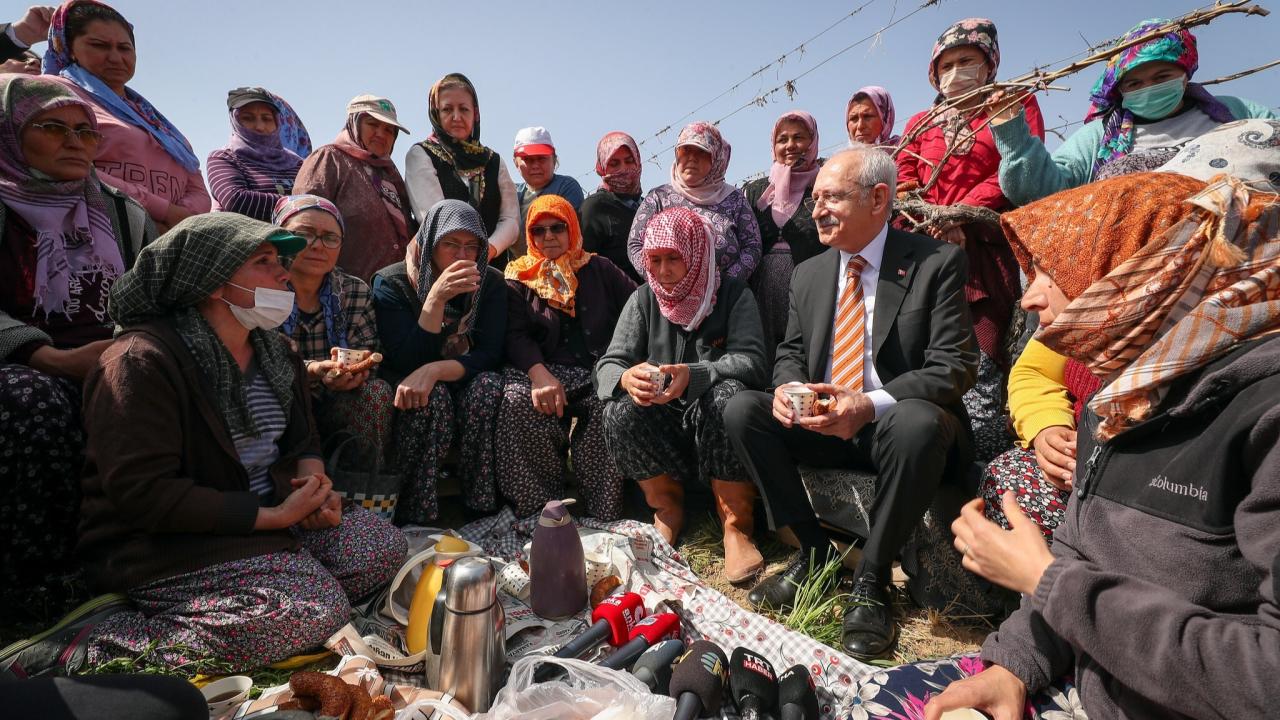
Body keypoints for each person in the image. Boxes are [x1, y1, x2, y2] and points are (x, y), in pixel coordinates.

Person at [872, 170, 1280, 720]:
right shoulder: (1124, 399)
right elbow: (1085, 551)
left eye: (1051, 272)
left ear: (1141, 273)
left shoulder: (1264, 417)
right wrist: (1015, 664)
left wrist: (1046, 581)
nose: (1030, 298)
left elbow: (1266, 681)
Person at [25, 213, 406, 674]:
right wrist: (271, 516)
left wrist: (312, 484)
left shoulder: (274, 351)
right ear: (211, 281)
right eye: (264, 262)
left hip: (266, 523)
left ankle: (279, 581)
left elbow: (302, 439)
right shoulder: (140, 362)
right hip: (166, 544)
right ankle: (97, 643)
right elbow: (145, 496)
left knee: (383, 548)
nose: (284, 272)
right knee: (312, 612)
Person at [723, 146, 978, 659]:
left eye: (832, 197)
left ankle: (873, 577)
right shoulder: (810, 273)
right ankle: (814, 554)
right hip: (827, 424)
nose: (817, 209)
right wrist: (791, 392)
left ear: (878, 198)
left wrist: (868, 404)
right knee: (742, 409)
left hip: (896, 429)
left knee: (918, 422)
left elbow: (954, 366)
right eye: (814, 198)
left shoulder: (935, 262)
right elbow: (792, 352)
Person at [0, 74, 155, 621]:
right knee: (35, 404)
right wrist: (47, 356)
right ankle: (36, 587)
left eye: (86, 132)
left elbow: (148, 295)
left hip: (108, 352)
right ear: (11, 133)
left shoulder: (119, 211)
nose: (74, 142)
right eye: (52, 128)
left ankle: (138, 565)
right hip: (20, 362)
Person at [597, 206, 769, 584]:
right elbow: (609, 365)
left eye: (674, 257)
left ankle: (736, 524)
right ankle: (667, 509)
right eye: (654, 260)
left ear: (697, 253)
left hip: (714, 425)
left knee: (728, 398)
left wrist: (698, 375)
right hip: (668, 429)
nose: (663, 270)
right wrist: (628, 378)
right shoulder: (644, 299)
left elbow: (755, 362)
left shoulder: (733, 294)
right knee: (618, 412)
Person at [897, 17, 1040, 463]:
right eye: (947, 64)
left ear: (989, 65)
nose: (956, 71)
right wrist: (929, 216)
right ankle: (931, 461)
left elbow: (1016, 169)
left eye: (967, 61)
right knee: (924, 355)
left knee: (981, 362)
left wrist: (960, 214)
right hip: (926, 248)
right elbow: (904, 176)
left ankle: (982, 470)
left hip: (986, 249)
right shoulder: (922, 121)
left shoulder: (1014, 104)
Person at [991, 17, 1277, 206]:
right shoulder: (1099, 137)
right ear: (1121, 89)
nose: (1149, 87)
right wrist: (1012, 135)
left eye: (1162, 77)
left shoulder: (1236, 112)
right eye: (1135, 83)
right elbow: (1040, 193)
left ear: (1185, 74)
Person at [499, 194, 635, 519]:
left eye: (557, 228)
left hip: (595, 370)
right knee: (517, 403)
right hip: (541, 369)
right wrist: (538, 374)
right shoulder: (518, 276)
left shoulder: (599, 267)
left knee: (611, 406)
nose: (548, 237)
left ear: (572, 229)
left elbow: (637, 308)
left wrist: (620, 361)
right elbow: (514, 334)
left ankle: (602, 514)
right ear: (529, 237)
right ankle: (541, 513)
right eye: (538, 231)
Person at [372, 199, 506, 524]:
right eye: (450, 244)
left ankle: (479, 508)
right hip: (410, 379)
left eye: (471, 246)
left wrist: (435, 370)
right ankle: (419, 515)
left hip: (460, 374)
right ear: (430, 242)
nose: (462, 256)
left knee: (488, 388)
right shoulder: (391, 283)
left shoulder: (489, 282)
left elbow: (489, 354)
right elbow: (406, 360)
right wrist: (435, 298)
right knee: (430, 398)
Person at [41, 0, 210, 232]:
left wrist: (182, 220)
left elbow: (195, 182)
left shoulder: (151, 117)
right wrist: (162, 213)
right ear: (69, 48)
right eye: (99, 45)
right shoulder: (53, 93)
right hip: (100, 234)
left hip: (172, 236)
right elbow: (68, 167)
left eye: (124, 48)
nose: (115, 57)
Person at [275, 195, 392, 467]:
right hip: (279, 399)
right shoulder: (263, 288)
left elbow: (370, 354)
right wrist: (313, 370)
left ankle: (360, 489)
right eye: (304, 234)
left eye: (330, 238)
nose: (317, 246)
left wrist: (353, 371)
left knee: (377, 392)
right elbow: (258, 361)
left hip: (335, 400)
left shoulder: (354, 291)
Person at [293, 94, 413, 282]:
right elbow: (303, 224)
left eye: (389, 130)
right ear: (354, 124)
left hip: (391, 293)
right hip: (343, 294)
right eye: (373, 124)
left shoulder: (390, 174)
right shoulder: (329, 160)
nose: (381, 134)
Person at [405, 73, 519, 267]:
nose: (456, 117)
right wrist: (467, 254)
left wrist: (488, 250)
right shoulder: (421, 155)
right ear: (435, 113)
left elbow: (511, 219)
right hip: (443, 270)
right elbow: (436, 217)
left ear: (475, 113)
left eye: (464, 109)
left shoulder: (493, 161)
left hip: (492, 271)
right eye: (447, 109)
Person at [626, 121, 762, 283]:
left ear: (716, 158)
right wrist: (662, 282)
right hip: (668, 298)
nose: (692, 158)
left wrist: (723, 284)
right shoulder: (658, 197)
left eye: (701, 152)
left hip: (724, 299)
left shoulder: (734, 199)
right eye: (685, 151)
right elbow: (635, 245)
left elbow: (752, 246)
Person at [742, 111, 824, 358]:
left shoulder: (823, 187)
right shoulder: (756, 191)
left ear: (813, 142)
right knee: (762, 353)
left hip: (811, 288)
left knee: (802, 352)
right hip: (760, 291)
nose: (790, 145)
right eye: (783, 139)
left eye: (799, 137)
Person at [206, 87, 312, 222]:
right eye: (248, 118)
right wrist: (299, 203)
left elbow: (317, 201)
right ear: (235, 121)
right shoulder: (223, 158)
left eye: (267, 118)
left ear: (277, 122)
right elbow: (236, 200)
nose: (260, 126)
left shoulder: (297, 163)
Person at [511, 126, 585, 263]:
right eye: (528, 159)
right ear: (515, 162)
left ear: (554, 159)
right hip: (523, 272)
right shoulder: (512, 194)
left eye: (541, 159)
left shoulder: (566, 187)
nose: (535, 165)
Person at [580, 131, 645, 284]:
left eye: (629, 161)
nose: (624, 169)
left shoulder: (649, 206)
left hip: (652, 304)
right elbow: (584, 268)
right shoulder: (594, 207)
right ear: (602, 168)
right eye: (614, 164)